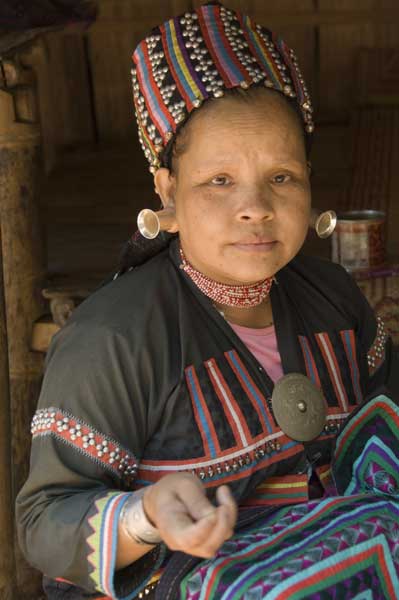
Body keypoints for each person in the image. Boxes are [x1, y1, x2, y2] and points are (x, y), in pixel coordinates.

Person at [16, 2, 399, 599]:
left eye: (282, 177)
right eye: (219, 181)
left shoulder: (335, 300)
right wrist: (144, 515)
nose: (255, 206)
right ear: (167, 192)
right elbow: (42, 523)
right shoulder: (113, 341)